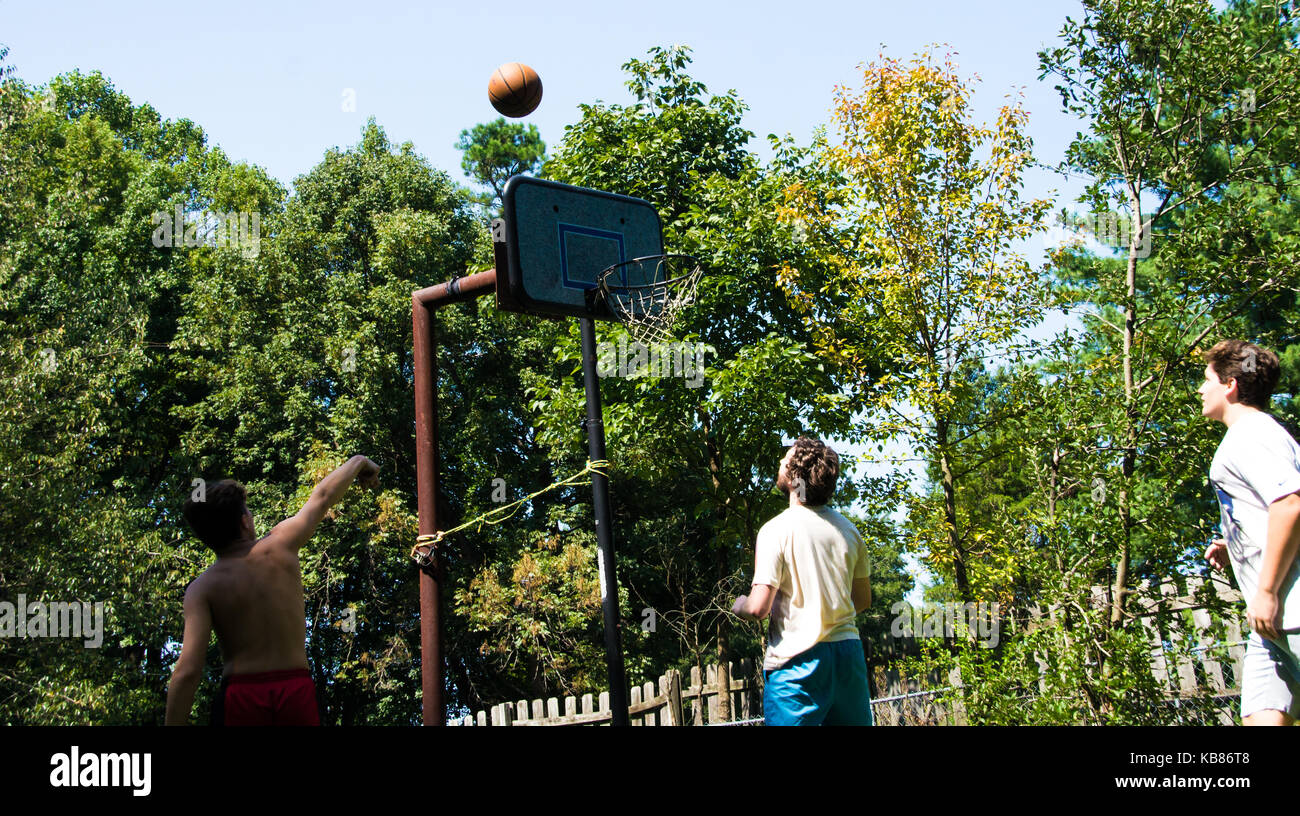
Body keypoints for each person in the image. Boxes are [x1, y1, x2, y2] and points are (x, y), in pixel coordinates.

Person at [164, 455, 380, 725]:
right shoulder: (281, 545)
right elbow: (323, 495)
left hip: (240, 698)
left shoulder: (202, 588)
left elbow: (188, 671)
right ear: (244, 521)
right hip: (294, 692)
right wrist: (359, 462)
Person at [732, 437, 873, 725]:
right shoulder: (849, 531)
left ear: (794, 476)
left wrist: (740, 605)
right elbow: (863, 601)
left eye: (784, 460)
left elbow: (759, 608)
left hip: (798, 662)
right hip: (848, 656)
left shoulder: (777, 530)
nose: (779, 463)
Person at [1199, 340, 1300, 726]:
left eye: (1206, 379)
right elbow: (1271, 509)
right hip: (1271, 625)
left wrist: (1269, 592)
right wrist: (1236, 541)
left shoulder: (1251, 434)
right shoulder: (1253, 435)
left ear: (1230, 385)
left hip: (1288, 608)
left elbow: (1289, 503)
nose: (1200, 389)